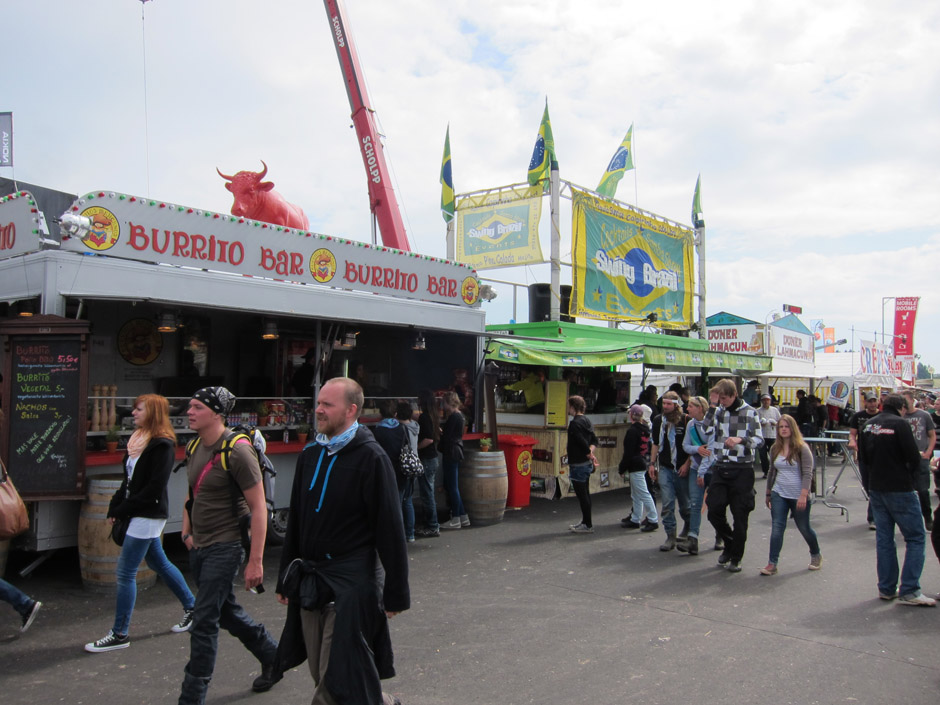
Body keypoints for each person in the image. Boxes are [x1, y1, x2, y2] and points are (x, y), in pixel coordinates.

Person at [271, 377, 409, 705]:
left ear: (350, 410)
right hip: (311, 580)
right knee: (322, 671)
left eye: (326, 404)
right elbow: (297, 524)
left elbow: (390, 529)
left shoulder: (371, 458)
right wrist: (285, 579)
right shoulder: (310, 455)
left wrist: (395, 593)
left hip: (353, 583)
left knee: (334, 681)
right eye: (318, 402)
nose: (318, 409)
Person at [177, 386, 279, 704]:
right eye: (189, 406)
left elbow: (259, 507)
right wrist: (186, 534)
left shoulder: (237, 451)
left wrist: (256, 561)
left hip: (226, 546)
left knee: (204, 620)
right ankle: (273, 656)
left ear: (216, 413)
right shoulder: (194, 446)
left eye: (196, 407)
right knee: (226, 612)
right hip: (200, 546)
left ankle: (192, 696)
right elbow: (192, 494)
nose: (189, 412)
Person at [85, 394, 196, 653]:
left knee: (125, 572)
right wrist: (116, 505)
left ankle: (120, 633)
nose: (133, 413)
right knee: (159, 562)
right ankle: (193, 608)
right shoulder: (138, 441)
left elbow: (153, 488)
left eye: (139, 409)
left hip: (148, 514)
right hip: (137, 512)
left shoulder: (162, 445)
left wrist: (123, 509)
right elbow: (129, 481)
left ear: (153, 412)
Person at [859, 393, 935, 606]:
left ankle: (886, 588)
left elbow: (863, 459)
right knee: (916, 537)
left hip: (876, 488)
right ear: (901, 407)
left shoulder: (868, 425)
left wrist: (870, 485)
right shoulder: (901, 424)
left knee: (884, 540)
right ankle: (910, 589)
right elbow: (913, 457)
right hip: (900, 488)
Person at [702, 379, 764, 573]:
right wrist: (712, 406)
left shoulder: (750, 412)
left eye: (724, 398)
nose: (722, 401)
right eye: (719, 398)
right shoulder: (719, 410)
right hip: (721, 466)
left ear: (734, 394)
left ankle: (736, 557)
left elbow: (759, 440)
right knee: (713, 509)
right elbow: (706, 429)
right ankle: (729, 543)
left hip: (742, 469)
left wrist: (741, 440)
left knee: (740, 515)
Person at [760, 415, 822, 575]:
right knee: (777, 528)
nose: (784, 429)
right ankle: (772, 563)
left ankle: (816, 554)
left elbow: (808, 473)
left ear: (792, 428)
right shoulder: (775, 448)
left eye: (786, 426)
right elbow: (772, 471)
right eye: (781, 427)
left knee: (804, 527)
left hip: (798, 494)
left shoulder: (802, 448)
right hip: (779, 492)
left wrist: (803, 495)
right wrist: (768, 493)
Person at [649, 391, 691, 552]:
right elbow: (655, 443)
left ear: (676, 405)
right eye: (664, 403)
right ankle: (670, 536)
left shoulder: (686, 420)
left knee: (685, 505)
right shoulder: (658, 420)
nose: (665, 407)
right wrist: (652, 463)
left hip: (681, 467)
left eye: (669, 404)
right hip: (666, 467)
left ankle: (687, 526)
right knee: (667, 503)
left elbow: (693, 446)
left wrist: (687, 464)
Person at [679, 396, 717, 555]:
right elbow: (686, 446)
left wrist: (702, 467)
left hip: (713, 470)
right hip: (696, 468)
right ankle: (693, 539)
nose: (687, 409)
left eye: (690, 406)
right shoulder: (690, 424)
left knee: (715, 506)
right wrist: (697, 450)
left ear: (700, 408)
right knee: (695, 503)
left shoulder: (714, 424)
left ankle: (720, 535)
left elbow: (712, 451)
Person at [372, 399, 413, 543]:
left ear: (380, 414)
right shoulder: (402, 429)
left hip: (384, 470)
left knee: (384, 504)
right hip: (400, 470)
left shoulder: (377, 431)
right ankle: (402, 534)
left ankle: (388, 535)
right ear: (395, 413)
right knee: (400, 503)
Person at [901, 390, 936, 531]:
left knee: (922, 490)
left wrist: (928, 453)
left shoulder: (924, 415)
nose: (903, 404)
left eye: (905, 400)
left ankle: (928, 517)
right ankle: (910, 522)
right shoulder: (899, 417)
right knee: (906, 491)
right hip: (904, 459)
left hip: (921, 457)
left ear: (912, 400)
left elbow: (931, 435)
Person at [619, 405, 658, 532]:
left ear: (631, 416)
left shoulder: (632, 431)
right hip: (641, 462)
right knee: (637, 493)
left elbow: (628, 452)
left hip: (634, 464)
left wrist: (622, 468)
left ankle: (653, 518)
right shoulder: (645, 429)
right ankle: (635, 518)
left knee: (642, 493)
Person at [566, 395, 598, 533]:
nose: (568, 409)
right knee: (585, 493)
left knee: (582, 495)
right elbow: (594, 440)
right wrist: (590, 453)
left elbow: (580, 441)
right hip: (585, 463)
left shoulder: (574, 423)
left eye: (569, 406)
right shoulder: (587, 420)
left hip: (578, 463)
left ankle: (588, 524)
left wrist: (588, 453)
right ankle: (586, 521)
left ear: (573, 407)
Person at [849, 392, 881, 530]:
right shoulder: (858, 416)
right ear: (865, 402)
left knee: (876, 487)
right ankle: (877, 513)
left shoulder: (882, 416)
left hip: (880, 457)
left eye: (874, 401)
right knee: (868, 487)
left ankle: (873, 517)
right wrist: (852, 442)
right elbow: (852, 433)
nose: (872, 404)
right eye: (870, 401)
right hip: (864, 456)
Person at [439, 391, 469, 530]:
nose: (443, 405)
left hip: (450, 452)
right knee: (454, 485)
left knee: (452, 487)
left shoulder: (453, 418)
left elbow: (447, 437)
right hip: (457, 451)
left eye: (444, 402)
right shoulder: (461, 417)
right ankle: (463, 516)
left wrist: (440, 434)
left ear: (450, 403)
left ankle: (456, 518)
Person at [414, 389, 441, 538]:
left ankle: (432, 525)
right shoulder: (432, 415)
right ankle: (430, 524)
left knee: (427, 494)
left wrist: (415, 447)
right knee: (428, 492)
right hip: (432, 458)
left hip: (426, 459)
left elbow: (428, 439)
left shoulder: (425, 417)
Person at [756, 394, 781, 479]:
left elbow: (780, 421)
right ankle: (766, 471)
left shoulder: (775, 410)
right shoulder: (758, 411)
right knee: (763, 455)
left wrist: (775, 423)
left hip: (772, 435)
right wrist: (760, 424)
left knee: (774, 454)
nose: (766, 402)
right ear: (762, 401)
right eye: (764, 400)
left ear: (770, 401)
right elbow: (755, 423)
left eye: (767, 400)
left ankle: (775, 471)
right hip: (762, 436)